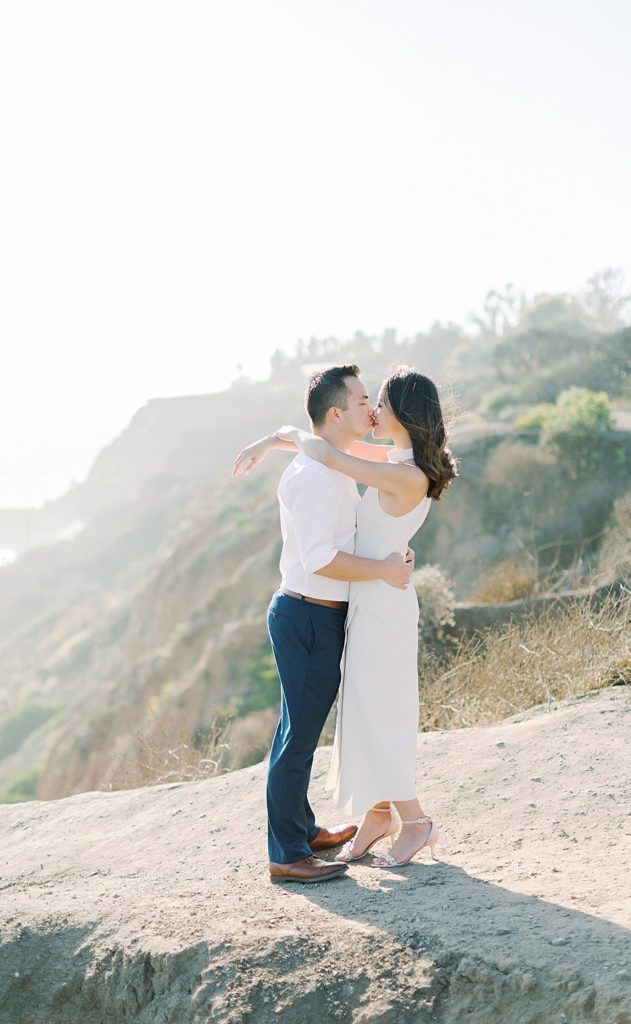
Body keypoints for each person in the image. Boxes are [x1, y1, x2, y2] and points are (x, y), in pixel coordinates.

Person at [236, 364, 459, 870]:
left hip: (379, 602)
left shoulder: (402, 472)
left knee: (377, 711)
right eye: (366, 401)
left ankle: (412, 820)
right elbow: (326, 450)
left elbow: (326, 451)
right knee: (360, 710)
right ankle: (376, 814)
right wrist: (274, 440)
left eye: (379, 400)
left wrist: (276, 439)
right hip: (364, 597)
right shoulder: (395, 459)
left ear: (403, 412)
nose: (374, 409)